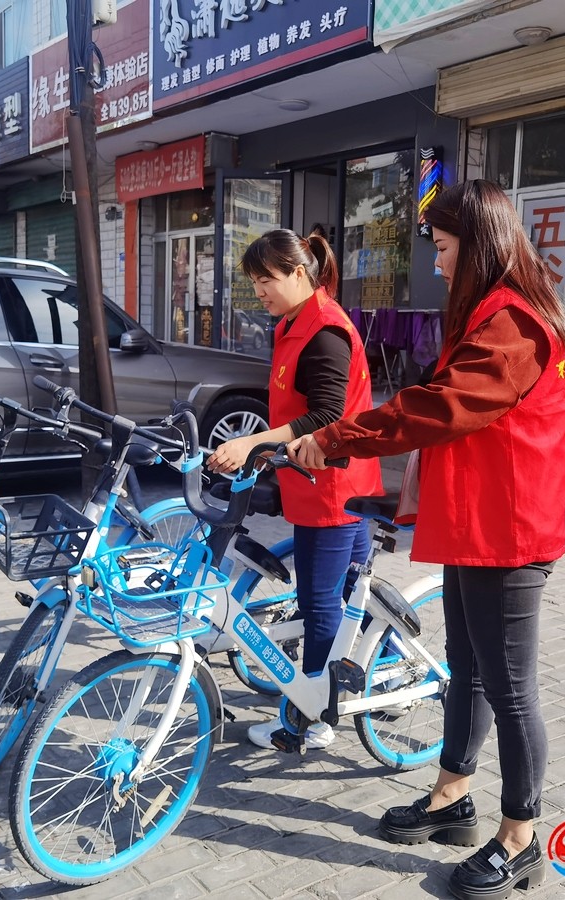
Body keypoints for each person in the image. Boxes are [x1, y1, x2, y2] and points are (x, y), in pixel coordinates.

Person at [288, 179, 565, 900]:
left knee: (510, 690)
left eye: (445, 248)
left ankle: (521, 839)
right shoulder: (491, 313)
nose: (438, 263)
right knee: (469, 670)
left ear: (478, 245)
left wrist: (338, 437)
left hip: (508, 533)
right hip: (478, 526)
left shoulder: (513, 325)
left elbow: (437, 408)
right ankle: (453, 797)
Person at [207, 228, 382, 750]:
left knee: (320, 601)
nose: (259, 291)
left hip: (333, 486)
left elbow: (327, 414)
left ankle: (313, 718)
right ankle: (358, 675)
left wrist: (255, 441)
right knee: (344, 595)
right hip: (321, 479)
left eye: (267, 280)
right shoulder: (294, 321)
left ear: (299, 273)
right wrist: (264, 447)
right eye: (254, 282)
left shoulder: (325, 331)